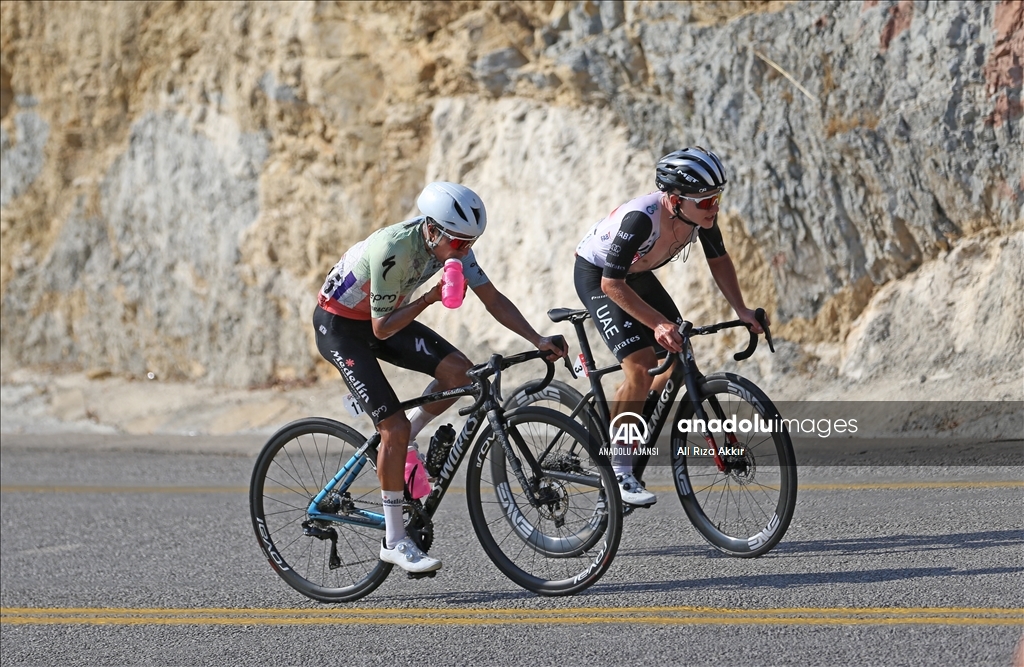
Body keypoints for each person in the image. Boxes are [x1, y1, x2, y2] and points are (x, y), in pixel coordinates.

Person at [314, 181, 567, 574]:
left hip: (383, 318)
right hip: (343, 327)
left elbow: (492, 297)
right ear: (432, 229)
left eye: (471, 243)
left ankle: (406, 440)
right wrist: (430, 298)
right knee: (391, 428)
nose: (465, 251)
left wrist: (537, 338)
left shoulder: (452, 245)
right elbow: (381, 331)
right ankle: (394, 540)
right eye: (460, 243)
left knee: (459, 374)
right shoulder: (392, 249)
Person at [573, 147, 767, 507]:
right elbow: (611, 285)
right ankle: (619, 470)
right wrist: (659, 324)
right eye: (706, 201)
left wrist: (740, 308)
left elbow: (719, 259)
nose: (714, 208)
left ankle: (625, 415)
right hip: (599, 276)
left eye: (717, 198)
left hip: (636, 274)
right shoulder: (641, 221)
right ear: (676, 200)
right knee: (641, 366)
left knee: (678, 358)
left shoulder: (699, 217)